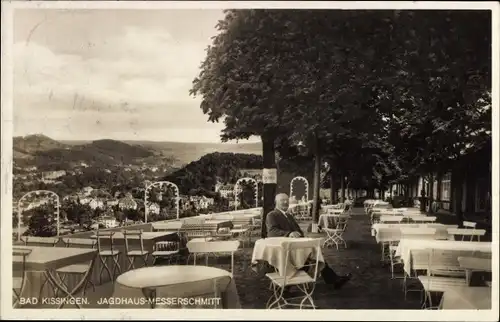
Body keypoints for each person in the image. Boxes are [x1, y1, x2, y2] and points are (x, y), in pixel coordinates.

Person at [266, 193, 352, 289]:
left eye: (287, 200)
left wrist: (300, 235)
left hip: (296, 248)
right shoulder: (272, 215)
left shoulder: (289, 216)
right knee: (312, 257)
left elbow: (298, 230)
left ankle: (334, 279)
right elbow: (272, 232)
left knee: (315, 253)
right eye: (282, 200)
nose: (286, 202)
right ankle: (286, 286)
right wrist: (289, 234)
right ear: (276, 202)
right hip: (284, 251)